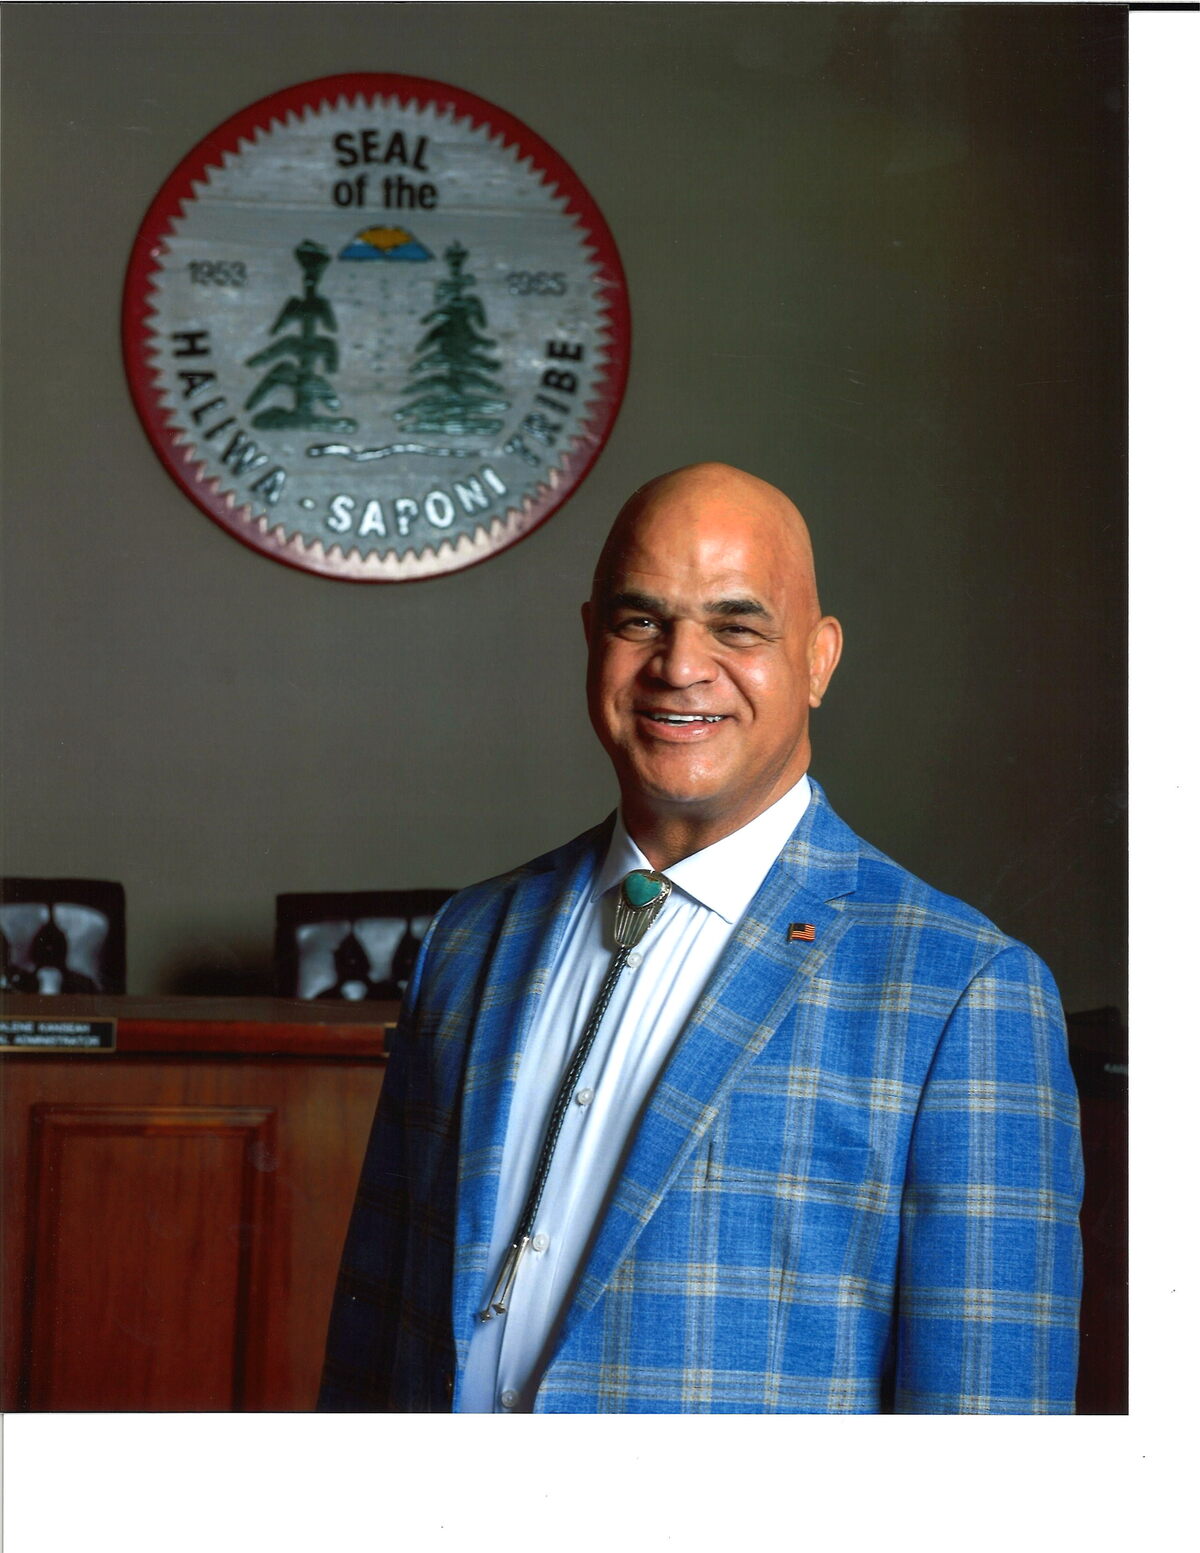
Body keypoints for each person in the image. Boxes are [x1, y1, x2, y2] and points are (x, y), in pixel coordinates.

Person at [319, 462, 1083, 1414]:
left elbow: (991, 1440)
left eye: (737, 626)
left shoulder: (963, 993)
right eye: (642, 620)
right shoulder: (470, 940)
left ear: (819, 659)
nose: (680, 666)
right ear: (592, 638)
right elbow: (369, 1355)